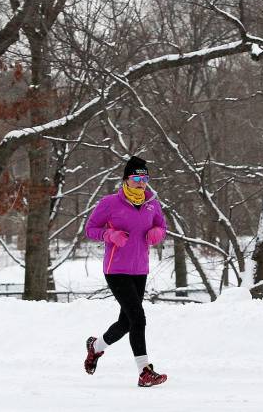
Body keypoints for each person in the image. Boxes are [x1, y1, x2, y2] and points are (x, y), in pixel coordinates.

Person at [83, 155, 168, 387]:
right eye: (137, 177)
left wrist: (157, 234)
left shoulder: (152, 203)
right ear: (126, 179)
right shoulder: (110, 203)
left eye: (145, 178)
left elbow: (162, 226)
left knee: (127, 322)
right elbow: (90, 229)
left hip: (140, 269)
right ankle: (144, 371)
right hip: (116, 269)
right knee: (138, 317)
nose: (142, 182)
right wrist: (109, 235)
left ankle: (96, 347)